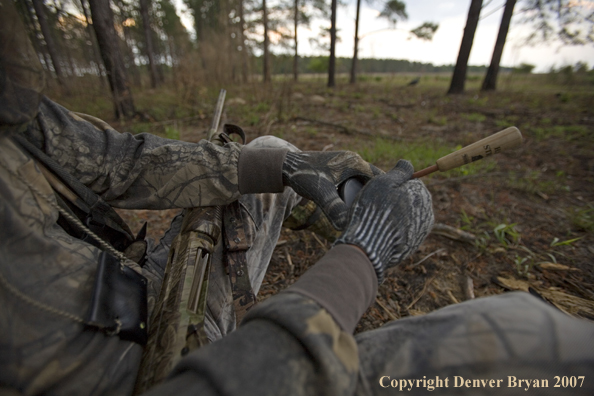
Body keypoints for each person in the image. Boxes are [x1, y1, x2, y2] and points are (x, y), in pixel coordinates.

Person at [1, 2, 593, 396]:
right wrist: (362, 257)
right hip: (169, 373)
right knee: (544, 341)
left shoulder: (13, 118)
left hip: (157, 289)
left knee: (267, 150)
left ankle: (325, 206)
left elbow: (120, 159)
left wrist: (287, 167)